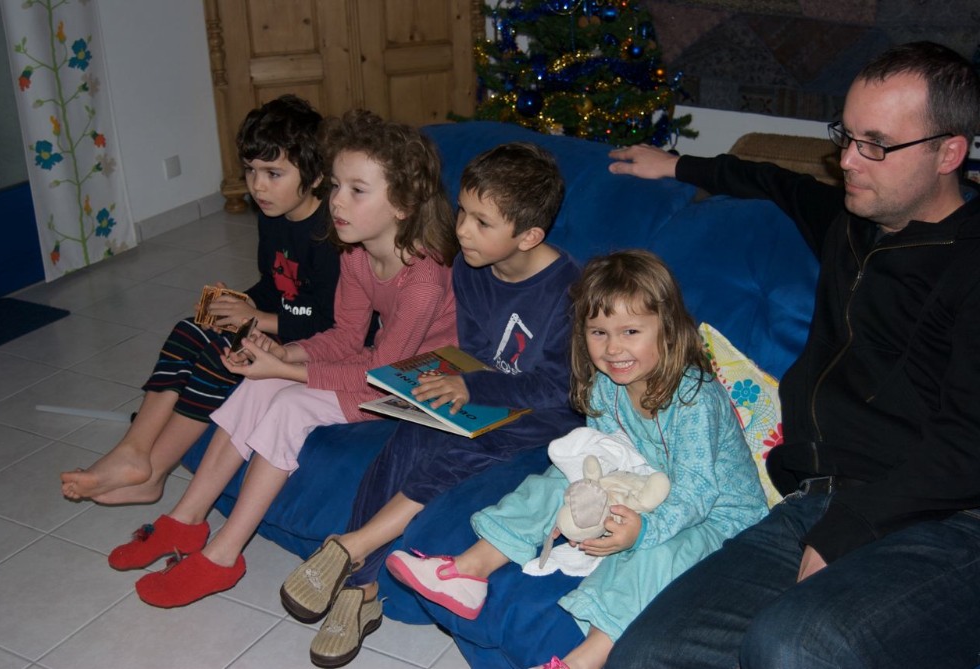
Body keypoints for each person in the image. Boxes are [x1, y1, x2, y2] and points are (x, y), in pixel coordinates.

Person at [604, 41, 980, 668]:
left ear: (949, 153)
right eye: (846, 136)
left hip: (945, 521)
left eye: (876, 145)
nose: (847, 160)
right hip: (817, 501)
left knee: (793, 646)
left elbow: (970, 448)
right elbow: (776, 181)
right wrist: (675, 165)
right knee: (645, 655)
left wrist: (852, 526)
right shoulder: (851, 220)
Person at [105, 109, 460, 612]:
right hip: (383, 366)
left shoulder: (423, 276)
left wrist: (289, 371)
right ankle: (186, 520)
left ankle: (224, 554)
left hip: (423, 384)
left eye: (357, 190)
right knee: (258, 385)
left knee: (290, 405)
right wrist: (282, 352)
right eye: (335, 185)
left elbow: (383, 376)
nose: (337, 201)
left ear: (403, 204)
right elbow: (344, 336)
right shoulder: (355, 252)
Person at [276, 142, 585, 667]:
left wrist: (475, 387)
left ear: (529, 236)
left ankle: (351, 549)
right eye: (462, 211)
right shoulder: (471, 268)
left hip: (545, 416)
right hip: (485, 392)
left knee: (459, 455)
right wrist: (452, 380)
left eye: (482, 222)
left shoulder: (569, 292)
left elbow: (557, 388)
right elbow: (475, 352)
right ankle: (363, 593)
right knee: (410, 433)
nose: (462, 230)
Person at [386, 250, 768, 669]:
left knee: (655, 554)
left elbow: (697, 492)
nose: (613, 348)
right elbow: (601, 455)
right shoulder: (606, 384)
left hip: (718, 517)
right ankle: (471, 569)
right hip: (640, 484)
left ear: (669, 331)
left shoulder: (694, 398)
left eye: (630, 331)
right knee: (560, 478)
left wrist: (642, 530)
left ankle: (583, 661)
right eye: (598, 332)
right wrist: (585, 502)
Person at [60, 95, 340, 505]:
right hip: (282, 323)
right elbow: (276, 285)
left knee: (218, 356)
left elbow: (330, 323)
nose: (258, 185)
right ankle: (133, 450)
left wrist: (255, 319)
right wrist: (236, 302)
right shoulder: (273, 217)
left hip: (318, 343)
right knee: (189, 330)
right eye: (250, 170)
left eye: (273, 173)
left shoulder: (332, 236)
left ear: (315, 177)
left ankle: (154, 472)